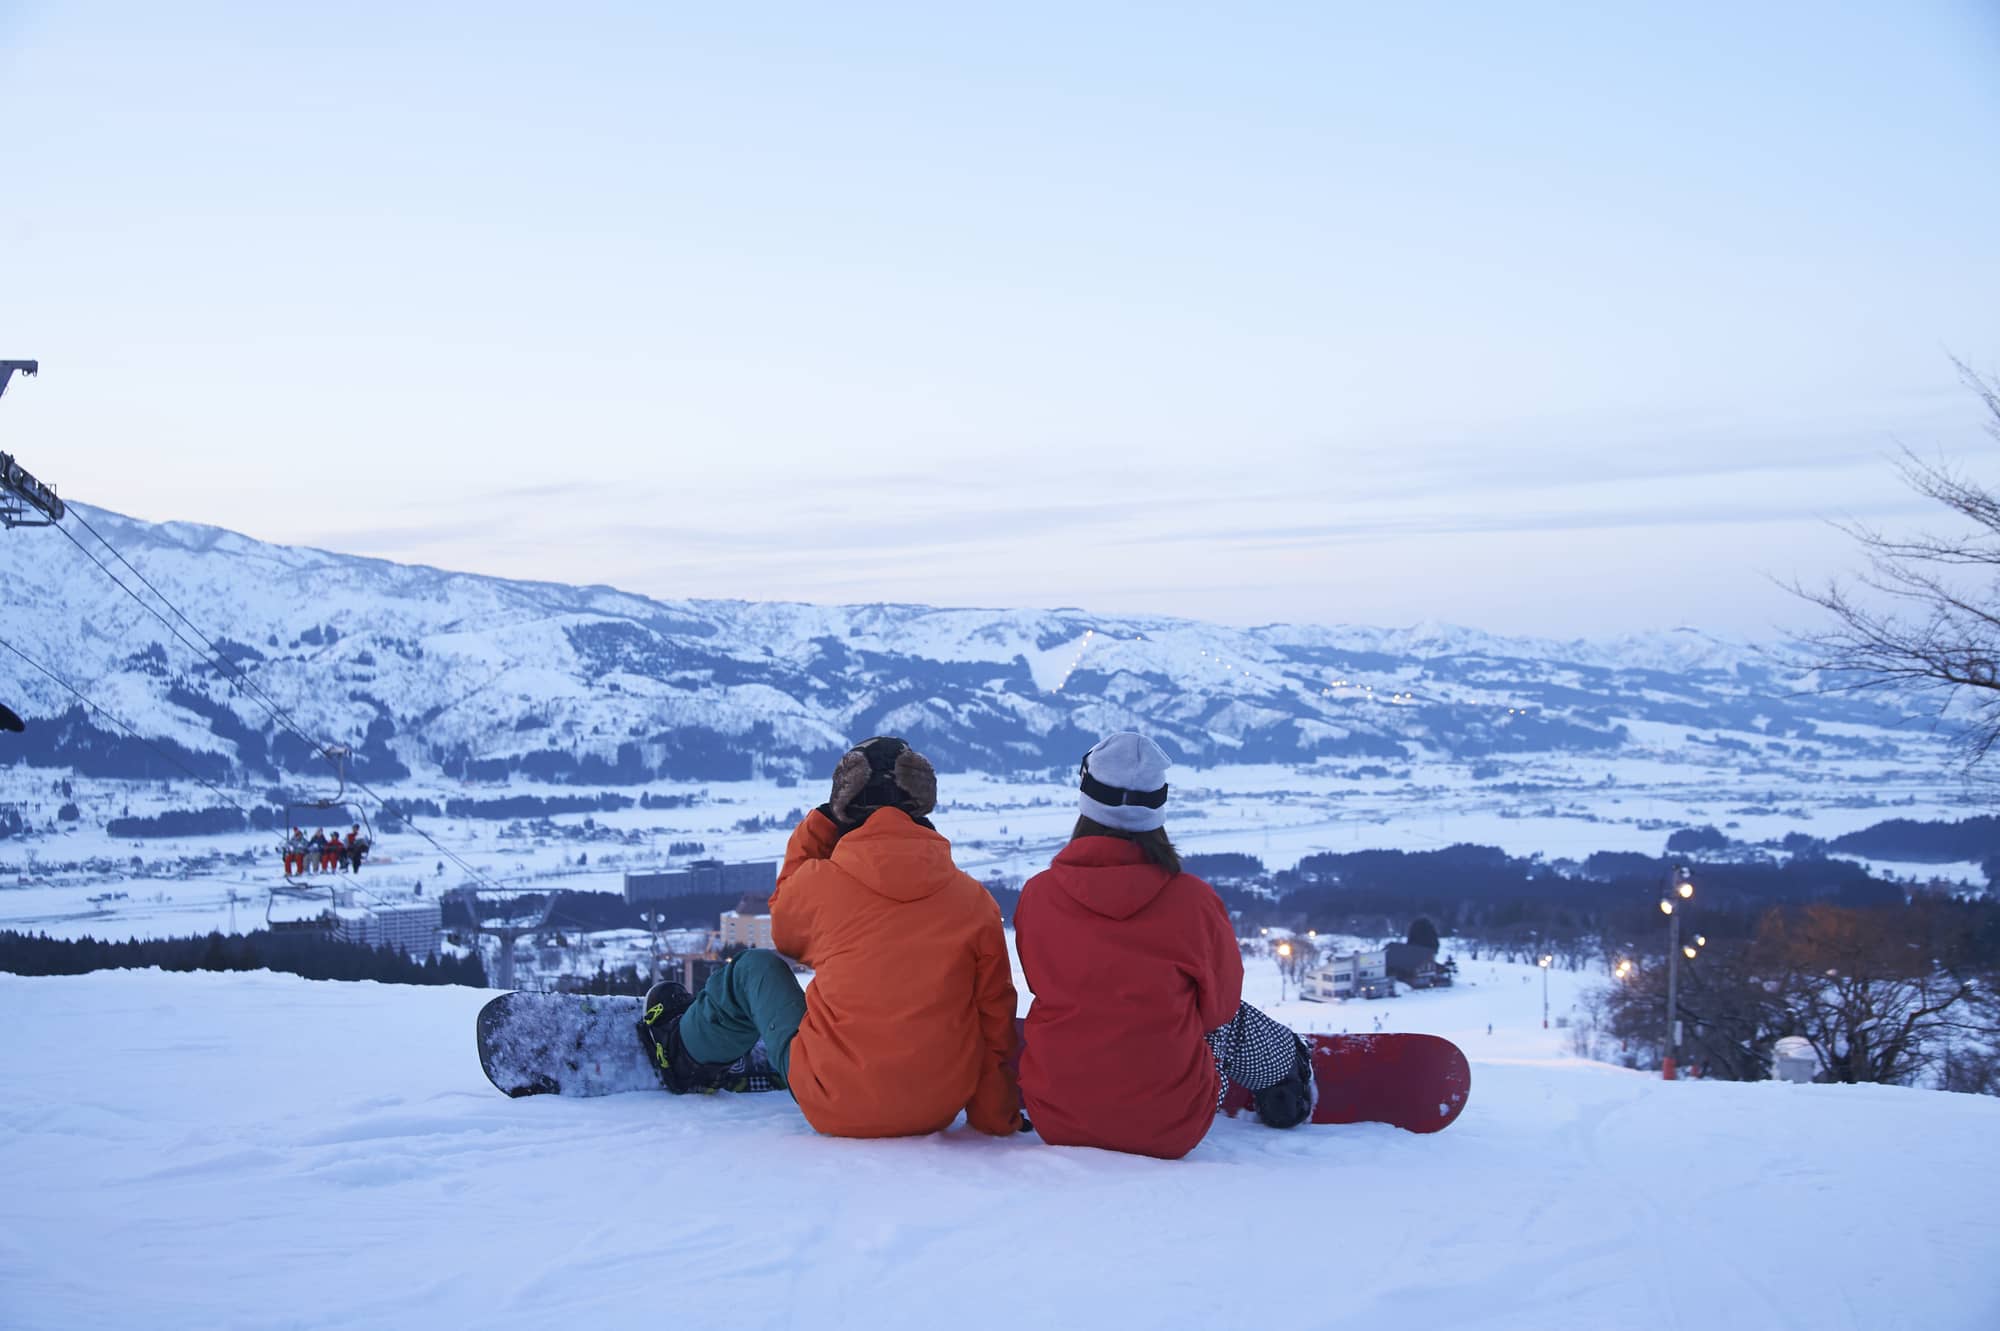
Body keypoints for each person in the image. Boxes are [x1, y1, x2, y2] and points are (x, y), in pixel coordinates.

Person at [635, 736, 1021, 1139]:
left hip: (836, 1102)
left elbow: (783, 930)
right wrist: (994, 1117)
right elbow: (993, 1017)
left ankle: (679, 1053)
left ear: (845, 808)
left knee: (752, 969)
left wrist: (821, 823)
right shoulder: (973, 901)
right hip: (937, 1106)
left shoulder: (823, 885)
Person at [1014, 732, 1313, 1160]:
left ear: (1086, 800)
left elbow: (1040, 978)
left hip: (1056, 1118)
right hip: (1170, 1125)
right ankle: (1287, 1068)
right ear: (1157, 807)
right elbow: (1220, 1009)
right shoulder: (1193, 901)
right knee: (1233, 1019)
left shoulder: (1038, 895)